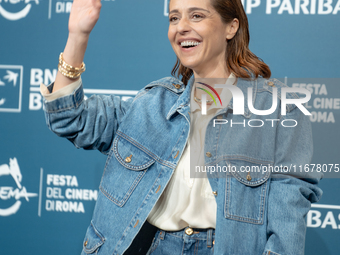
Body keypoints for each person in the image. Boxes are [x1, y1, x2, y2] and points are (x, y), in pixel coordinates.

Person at [40, 0, 323, 254]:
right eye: (174, 18)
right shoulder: (151, 104)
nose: (182, 27)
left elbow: (287, 221)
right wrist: (78, 35)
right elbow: (70, 119)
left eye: (196, 16)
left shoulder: (282, 110)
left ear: (231, 27)